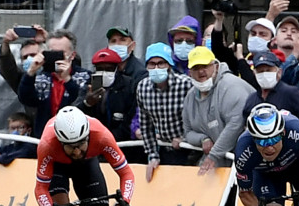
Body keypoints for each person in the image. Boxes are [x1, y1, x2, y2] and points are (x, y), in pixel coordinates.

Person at [182, 46, 254, 175]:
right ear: (189, 72)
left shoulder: (232, 86)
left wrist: (213, 155)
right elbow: (187, 132)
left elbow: (235, 125)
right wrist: (202, 139)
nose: (201, 72)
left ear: (215, 66)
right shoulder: (190, 97)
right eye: (196, 68)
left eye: (205, 66)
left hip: (249, 159)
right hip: (220, 165)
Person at [136, 42, 193, 181]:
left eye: (161, 63)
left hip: (189, 149)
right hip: (163, 148)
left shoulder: (186, 84)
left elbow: (198, 117)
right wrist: (152, 155)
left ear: (169, 64)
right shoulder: (142, 87)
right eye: (152, 64)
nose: (156, 67)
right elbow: (145, 125)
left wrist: (185, 138)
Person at [18, 28, 91, 138]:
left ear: (72, 55)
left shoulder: (85, 76)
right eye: (51, 53)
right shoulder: (41, 77)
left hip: (75, 138)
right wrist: (31, 72)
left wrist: (67, 79)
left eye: (60, 53)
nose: (55, 57)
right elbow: (26, 99)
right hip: (46, 137)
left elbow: (83, 104)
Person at [243, 51, 299, 133]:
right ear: (254, 73)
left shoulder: (291, 93)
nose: (265, 74)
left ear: (279, 72)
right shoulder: (252, 99)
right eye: (260, 71)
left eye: (269, 70)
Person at [77, 48, 136, 144]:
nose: (104, 73)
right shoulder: (89, 85)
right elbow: (75, 112)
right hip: (93, 141)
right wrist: (87, 103)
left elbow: (131, 118)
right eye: (99, 69)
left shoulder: (128, 85)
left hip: (121, 143)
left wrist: (108, 138)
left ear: (117, 68)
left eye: (109, 69)